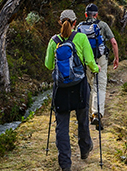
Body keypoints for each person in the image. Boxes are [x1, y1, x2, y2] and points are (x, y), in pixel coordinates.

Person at [45, 9, 100, 171]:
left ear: (60, 22)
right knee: (82, 120)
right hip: (79, 86)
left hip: (60, 89)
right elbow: (90, 61)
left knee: (62, 126)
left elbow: (48, 65)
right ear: (75, 23)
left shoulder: (53, 41)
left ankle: (65, 164)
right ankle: (85, 150)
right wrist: (96, 69)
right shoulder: (81, 37)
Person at [77, 3, 119, 129]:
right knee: (99, 86)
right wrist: (116, 58)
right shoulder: (102, 25)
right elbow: (114, 42)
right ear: (96, 14)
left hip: (86, 60)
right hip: (100, 59)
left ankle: (90, 115)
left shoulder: (79, 26)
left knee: (88, 86)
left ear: (86, 15)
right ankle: (97, 114)